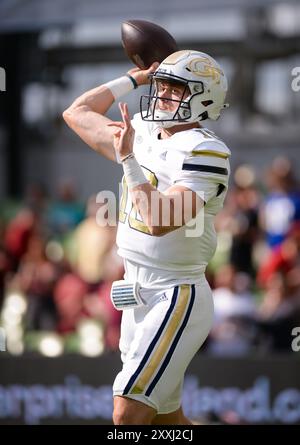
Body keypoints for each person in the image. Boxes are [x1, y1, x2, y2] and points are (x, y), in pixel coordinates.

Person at [63, 49, 230, 425]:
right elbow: (76, 113)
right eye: (162, 85)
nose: (162, 94)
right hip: (135, 292)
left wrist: (128, 161)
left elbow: (160, 219)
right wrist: (133, 79)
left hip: (175, 292)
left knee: (127, 414)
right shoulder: (145, 131)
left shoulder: (206, 151)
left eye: (175, 88)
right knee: (167, 421)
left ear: (203, 98)